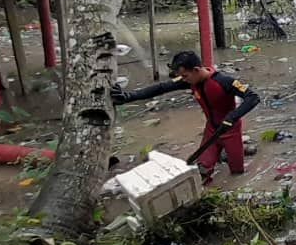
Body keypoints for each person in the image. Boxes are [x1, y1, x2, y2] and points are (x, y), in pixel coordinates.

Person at [111, 51, 260, 183]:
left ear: (196, 70)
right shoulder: (190, 81)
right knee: (201, 172)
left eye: (185, 76)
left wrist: (232, 117)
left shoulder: (224, 81)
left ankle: (229, 156)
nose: (183, 79)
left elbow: (253, 97)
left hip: (230, 131)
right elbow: (161, 88)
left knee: (238, 173)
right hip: (211, 131)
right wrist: (128, 97)